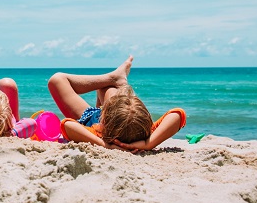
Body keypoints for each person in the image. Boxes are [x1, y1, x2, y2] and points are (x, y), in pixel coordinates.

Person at [47, 56, 186, 151]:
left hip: (90, 120)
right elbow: (178, 114)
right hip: (123, 124)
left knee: (58, 80)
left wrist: (105, 145)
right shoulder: (145, 134)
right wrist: (148, 144)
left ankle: (112, 77)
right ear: (146, 121)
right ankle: (116, 79)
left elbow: (66, 125)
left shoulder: (97, 134)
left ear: (103, 121)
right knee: (110, 92)